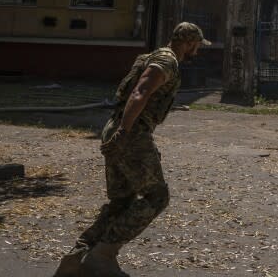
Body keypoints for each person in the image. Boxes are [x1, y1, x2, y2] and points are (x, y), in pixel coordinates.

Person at [53, 22, 210, 277]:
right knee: (156, 197)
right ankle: (103, 256)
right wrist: (124, 134)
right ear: (188, 42)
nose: (198, 50)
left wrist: (121, 132)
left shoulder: (155, 55)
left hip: (121, 128)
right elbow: (140, 92)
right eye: (197, 45)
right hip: (131, 133)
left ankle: (78, 257)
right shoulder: (167, 61)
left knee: (122, 201)